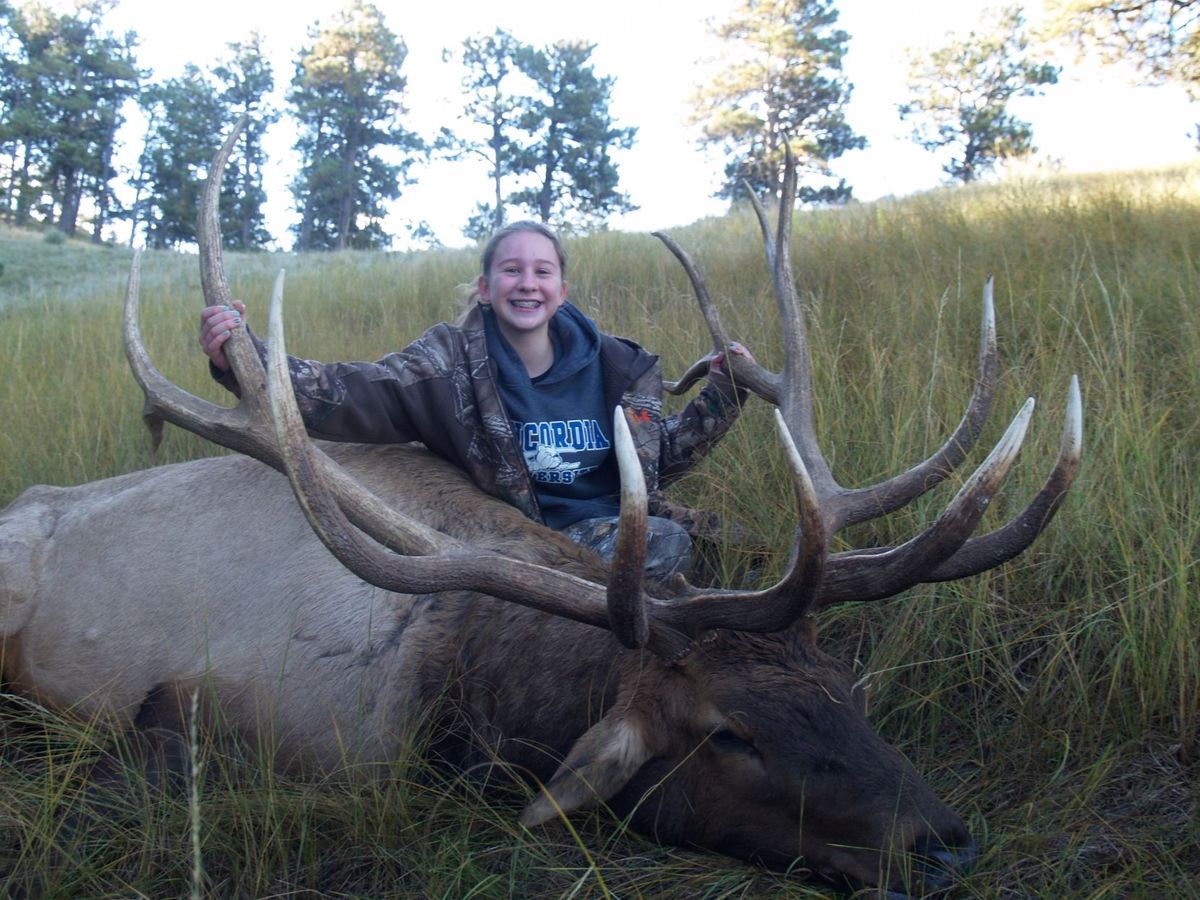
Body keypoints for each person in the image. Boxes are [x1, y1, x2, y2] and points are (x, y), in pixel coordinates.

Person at [199, 221, 753, 579]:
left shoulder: (622, 369)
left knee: (752, 556)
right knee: (667, 549)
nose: (527, 283)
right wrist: (246, 356)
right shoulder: (449, 366)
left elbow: (660, 461)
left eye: (542, 271)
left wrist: (726, 391)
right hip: (525, 547)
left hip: (628, 526)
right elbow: (350, 393)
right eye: (511, 270)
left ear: (562, 291)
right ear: (486, 287)